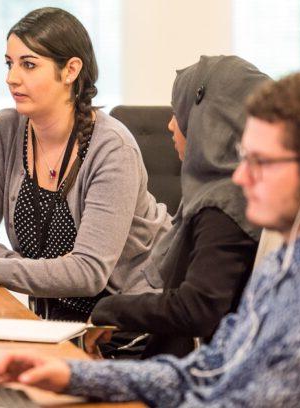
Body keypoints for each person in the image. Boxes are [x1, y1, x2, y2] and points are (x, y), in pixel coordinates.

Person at [0, 72, 300, 406]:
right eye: (244, 157)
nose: (241, 175)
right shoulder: (281, 267)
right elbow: (206, 370)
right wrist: (74, 375)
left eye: (261, 161)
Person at [0, 7, 170, 321]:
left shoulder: (111, 148)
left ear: (71, 70)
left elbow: (88, 273)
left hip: (125, 328)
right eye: (10, 64)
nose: (12, 78)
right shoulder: (5, 130)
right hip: (53, 321)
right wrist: (34, 272)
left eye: (29, 65)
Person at [86, 56, 269, 359]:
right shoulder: (224, 193)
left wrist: (110, 309)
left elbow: (198, 309)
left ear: (208, 119)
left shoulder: (224, 205)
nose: (170, 125)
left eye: (178, 112)